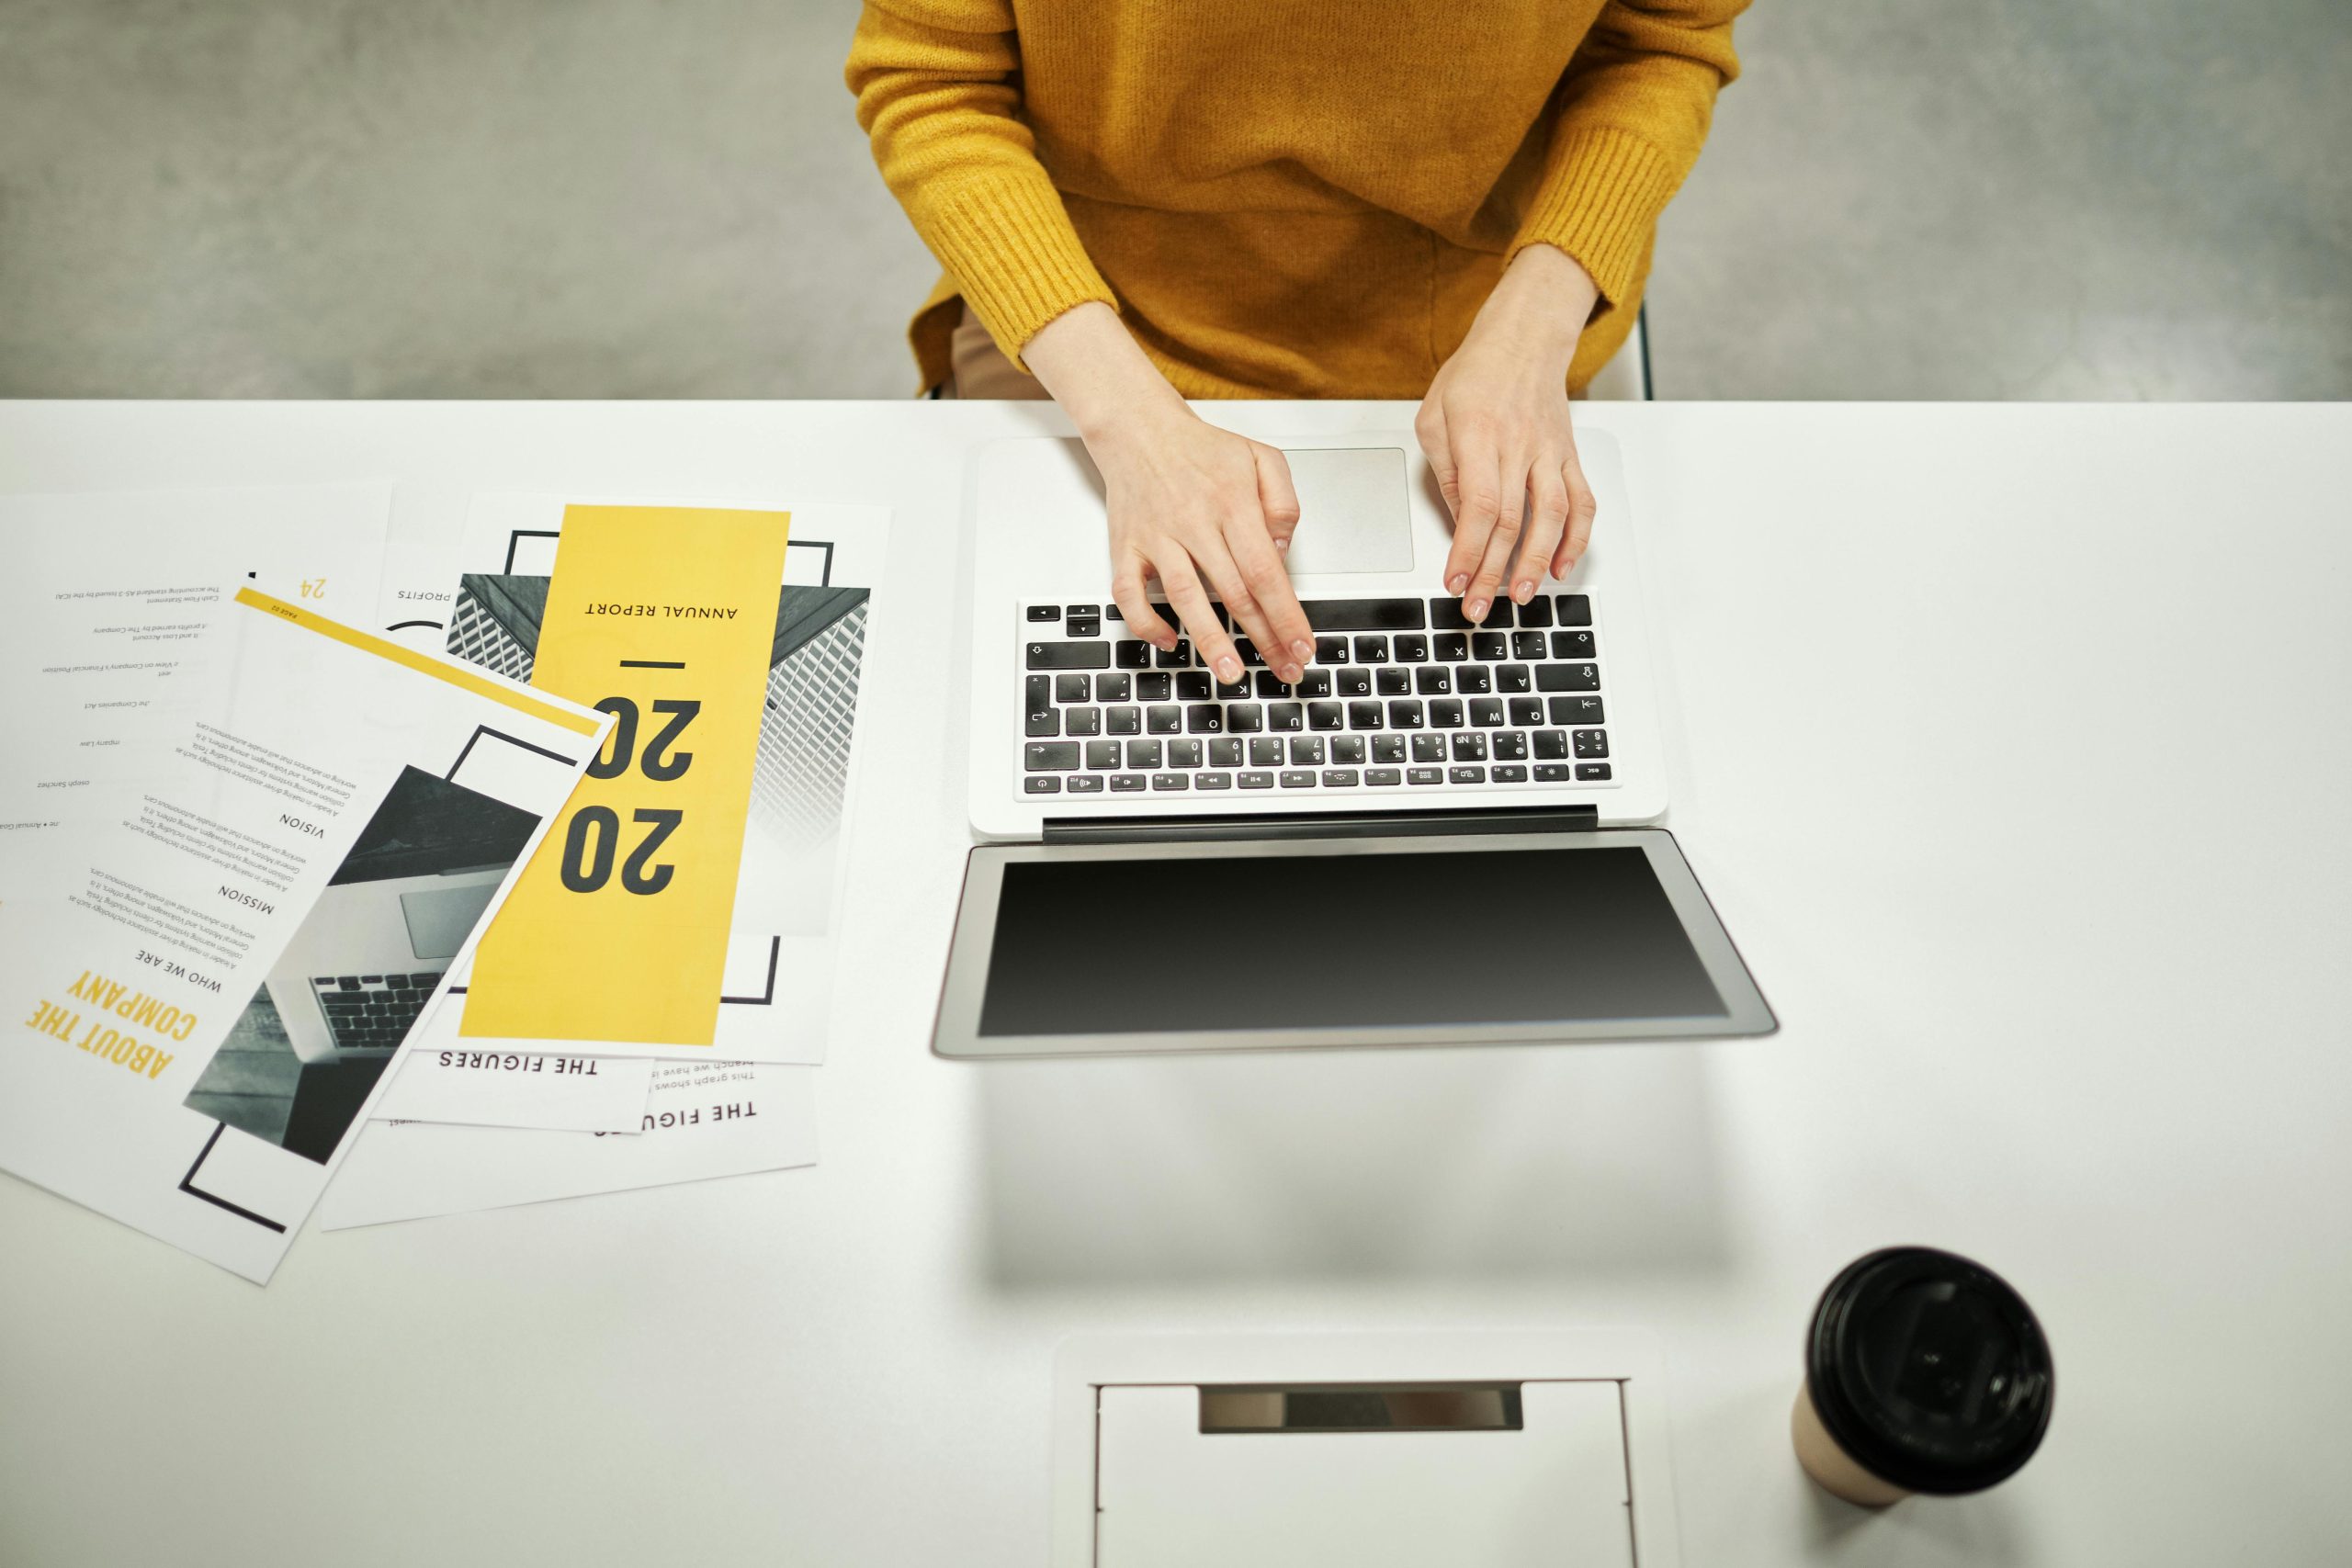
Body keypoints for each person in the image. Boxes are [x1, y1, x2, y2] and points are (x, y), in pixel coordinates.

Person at [847, 1, 1745, 687]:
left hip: (1481, 330)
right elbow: (933, 81)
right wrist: (1129, 420)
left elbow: (1660, 38)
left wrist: (1533, 325)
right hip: (1090, 316)